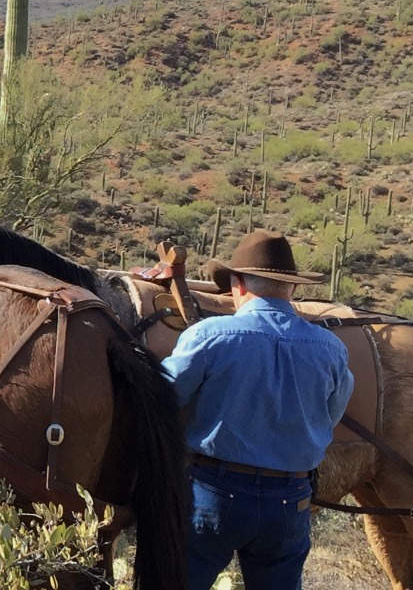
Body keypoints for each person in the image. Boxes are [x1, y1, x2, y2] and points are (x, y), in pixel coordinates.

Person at [161, 230, 354, 589]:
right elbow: (331, 416)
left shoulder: (210, 336)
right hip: (291, 500)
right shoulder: (331, 348)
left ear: (237, 284)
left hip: (213, 492)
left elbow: (163, 399)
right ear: (291, 288)